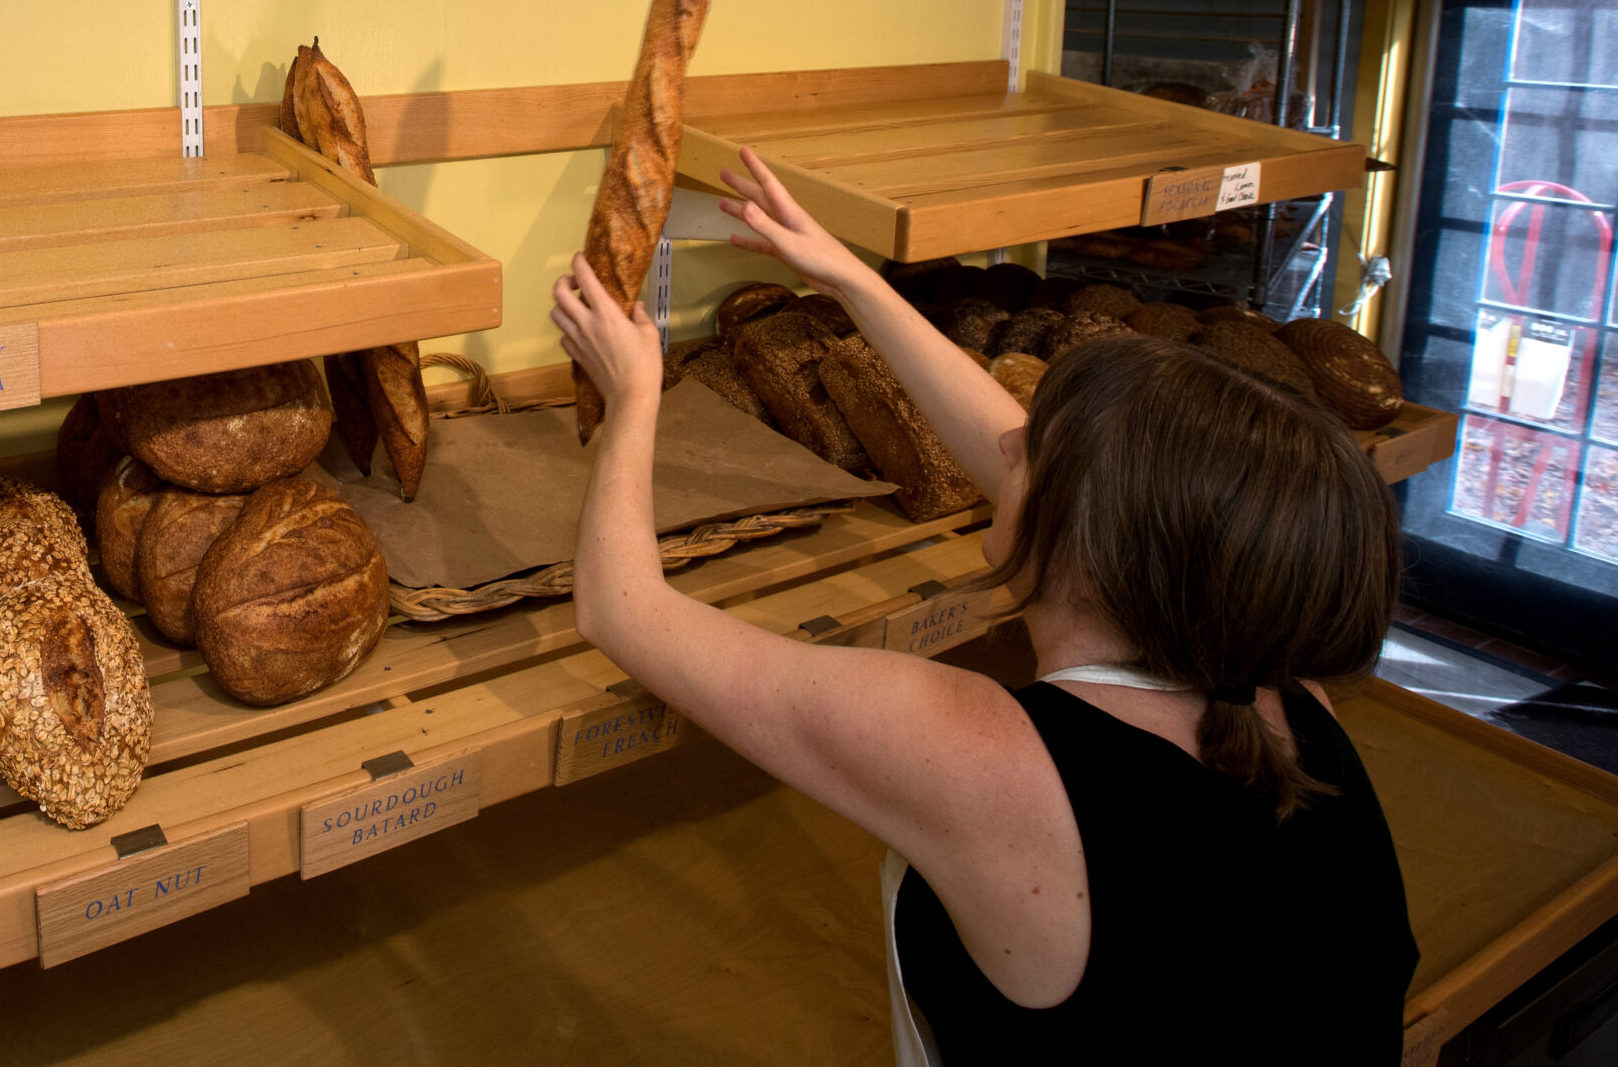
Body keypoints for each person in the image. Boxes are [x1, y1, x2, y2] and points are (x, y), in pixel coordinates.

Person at [550, 147, 1417, 1065]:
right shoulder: (1287, 699)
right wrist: (848, 278)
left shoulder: (986, 756)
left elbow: (622, 611)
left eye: (1036, 453)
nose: (1004, 448)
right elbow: (1021, 453)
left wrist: (633, 397)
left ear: (1093, 543)